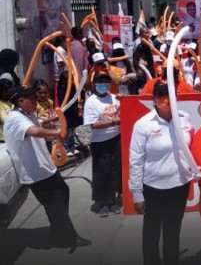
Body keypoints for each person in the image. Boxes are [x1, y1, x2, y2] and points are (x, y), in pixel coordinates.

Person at [3, 85, 91, 248]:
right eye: (33, 99)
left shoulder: (27, 113)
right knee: (55, 204)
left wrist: (52, 120)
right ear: (21, 101)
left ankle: (58, 229)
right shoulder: (15, 118)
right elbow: (34, 131)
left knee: (63, 193)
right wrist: (57, 134)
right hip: (35, 173)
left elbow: (39, 122)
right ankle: (66, 238)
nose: (37, 101)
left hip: (46, 169)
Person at [129, 81, 194, 265]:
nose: (166, 100)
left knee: (173, 231)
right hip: (154, 187)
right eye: (161, 96)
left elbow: (191, 147)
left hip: (180, 185)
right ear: (155, 99)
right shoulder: (144, 124)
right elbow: (135, 159)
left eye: (170, 95)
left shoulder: (185, 118)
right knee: (151, 233)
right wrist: (137, 193)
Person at [83, 71, 122, 217]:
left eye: (106, 82)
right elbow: (93, 124)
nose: (103, 84)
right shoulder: (91, 102)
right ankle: (102, 202)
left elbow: (120, 112)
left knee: (114, 170)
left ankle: (113, 201)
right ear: (94, 84)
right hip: (99, 141)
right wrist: (113, 122)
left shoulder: (114, 98)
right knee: (101, 171)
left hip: (116, 138)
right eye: (100, 82)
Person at [57, 72, 83, 157]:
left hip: (73, 113)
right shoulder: (61, 90)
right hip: (66, 113)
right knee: (67, 131)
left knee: (72, 131)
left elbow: (80, 94)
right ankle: (66, 147)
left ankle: (71, 146)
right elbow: (62, 101)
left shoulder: (74, 88)